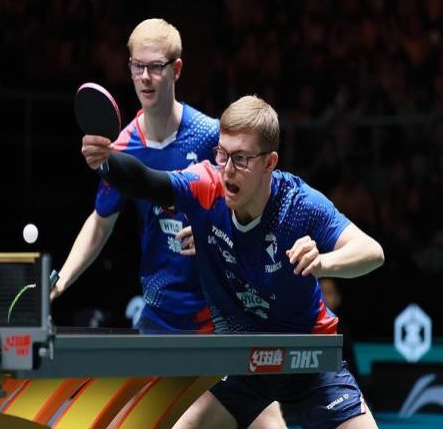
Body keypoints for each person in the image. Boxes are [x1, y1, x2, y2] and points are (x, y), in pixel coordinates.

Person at [81, 95, 385, 428]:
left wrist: (323, 263)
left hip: (308, 359)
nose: (226, 169)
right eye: (222, 154)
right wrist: (106, 161)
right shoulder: (205, 187)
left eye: (240, 158)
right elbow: (147, 181)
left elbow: (371, 252)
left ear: (269, 162)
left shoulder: (298, 204)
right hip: (247, 362)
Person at [53, 20, 286, 427]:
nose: (145, 77)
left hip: (222, 318)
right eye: (137, 66)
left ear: (176, 70)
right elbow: (100, 222)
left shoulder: (211, 137)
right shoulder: (123, 148)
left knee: (269, 424)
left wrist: (216, 230)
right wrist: (62, 280)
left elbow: (255, 209)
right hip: (161, 320)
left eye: (156, 66)